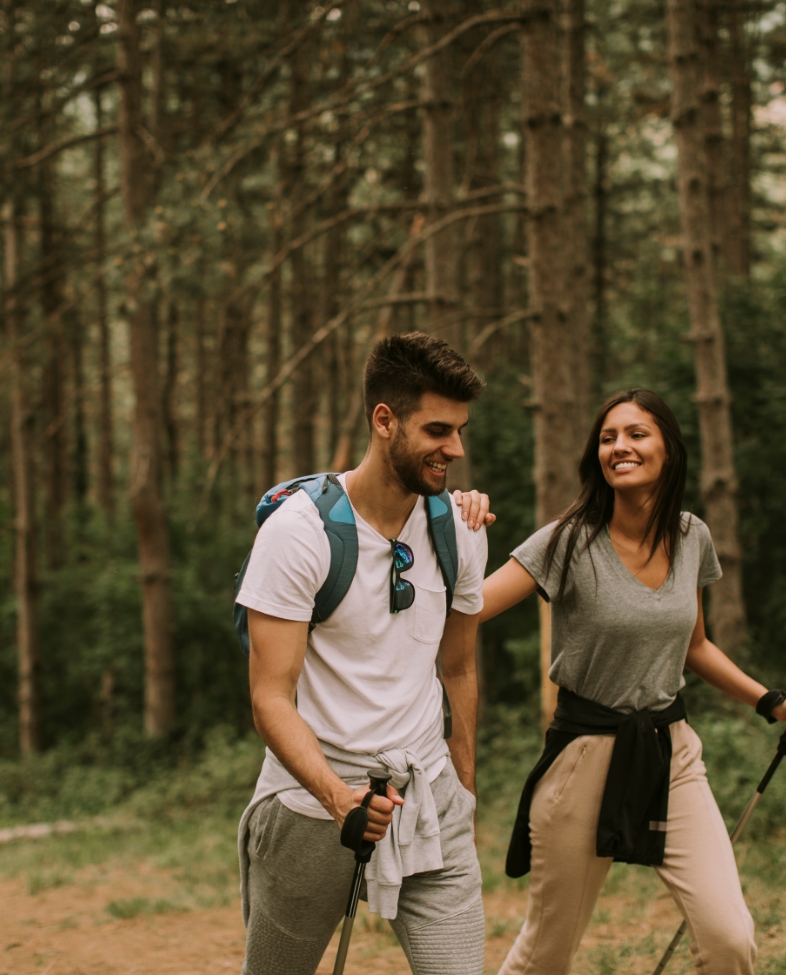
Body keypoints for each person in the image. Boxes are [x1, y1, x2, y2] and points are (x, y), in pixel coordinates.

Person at [479, 388, 786, 975]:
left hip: (671, 754)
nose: (619, 446)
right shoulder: (565, 540)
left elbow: (693, 646)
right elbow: (469, 607)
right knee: (546, 957)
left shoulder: (691, 535)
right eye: (608, 437)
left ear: (669, 448)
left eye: (636, 434)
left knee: (730, 941)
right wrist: (458, 529)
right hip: (582, 758)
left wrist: (770, 701)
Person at [235, 332, 495, 975]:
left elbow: (458, 665)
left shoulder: (460, 531)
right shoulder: (298, 534)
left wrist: (461, 783)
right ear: (385, 420)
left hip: (429, 796)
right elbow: (271, 696)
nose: (455, 450)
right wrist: (337, 798)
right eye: (438, 430)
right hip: (312, 804)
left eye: (460, 431)